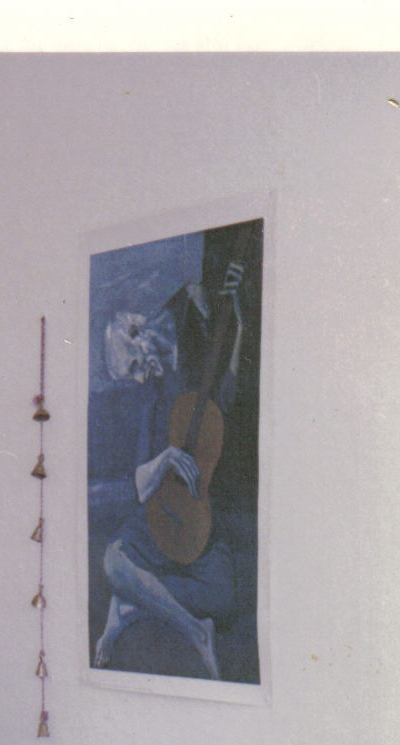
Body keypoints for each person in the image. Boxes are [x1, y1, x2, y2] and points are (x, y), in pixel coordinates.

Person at [89, 236, 254, 679]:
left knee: (223, 594)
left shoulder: (188, 312)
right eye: (133, 375)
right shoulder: (150, 393)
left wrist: (235, 325)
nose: (140, 377)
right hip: (159, 512)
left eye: (135, 366)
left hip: (198, 518)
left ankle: (131, 603)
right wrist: (163, 461)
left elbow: (227, 397)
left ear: (136, 330)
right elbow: (138, 484)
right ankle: (194, 631)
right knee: (113, 561)